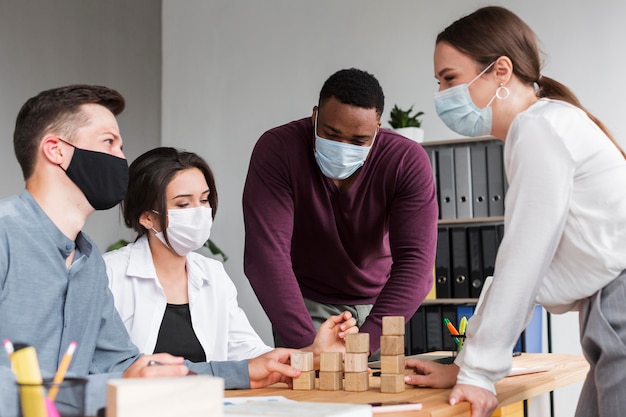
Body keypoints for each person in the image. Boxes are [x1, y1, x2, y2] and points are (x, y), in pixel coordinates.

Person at [0, 85, 308, 416]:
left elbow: (123, 365)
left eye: (121, 145)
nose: (121, 158)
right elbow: (111, 385)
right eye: (108, 142)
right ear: (55, 150)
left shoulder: (88, 264)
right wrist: (100, 393)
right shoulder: (6, 235)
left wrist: (242, 372)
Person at [403, 6, 626, 417]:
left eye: (450, 79)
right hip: (610, 308)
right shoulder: (549, 121)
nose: (441, 96)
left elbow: (525, 258)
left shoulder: (537, 127)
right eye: (438, 83)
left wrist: (478, 373)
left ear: (500, 70)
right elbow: (520, 265)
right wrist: (465, 366)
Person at [242, 68, 439, 356]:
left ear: (378, 129)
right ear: (315, 116)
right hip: (306, 304)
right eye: (331, 134)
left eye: (358, 141)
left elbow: (416, 264)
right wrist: (310, 346)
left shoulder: (406, 161)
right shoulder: (278, 150)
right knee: (311, 395)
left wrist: (367, 341)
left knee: (380, 396)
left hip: (381, 305)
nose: (342, 147)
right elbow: (266, 255)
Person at [104, 146, 357, 367]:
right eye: (183, 204)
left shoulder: (212, 274)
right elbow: (102, 366)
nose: (200, 212)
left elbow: (249, 353)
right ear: (146, 216)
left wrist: (314, 354)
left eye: (204, 200)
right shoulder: (109, 274)